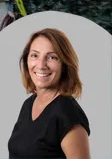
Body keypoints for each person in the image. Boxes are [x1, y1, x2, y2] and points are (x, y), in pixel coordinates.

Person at [8, 28, 91, 158]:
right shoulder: (29, 104)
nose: (41, 65)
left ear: (64, 64)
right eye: (35, 55)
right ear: (26, 61)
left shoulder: (67, 113)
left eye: (52, 57)